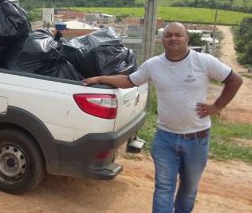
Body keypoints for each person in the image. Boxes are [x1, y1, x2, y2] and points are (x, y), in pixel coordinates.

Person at [83, 22, 242, 213]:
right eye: (168, 35)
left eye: (178, 35)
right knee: (164, 188)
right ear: (162, 39)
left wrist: (217, 106)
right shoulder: (154, 65)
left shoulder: (203, 61)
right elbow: (129, 80)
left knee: (189, 189)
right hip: (165, 138)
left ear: (187, 39)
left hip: (196, 139)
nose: (173, 38)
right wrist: (101, 79)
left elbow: (235, 80)